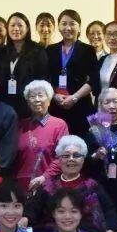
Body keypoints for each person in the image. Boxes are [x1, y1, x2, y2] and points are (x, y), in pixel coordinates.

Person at [25, 135, 117, 232]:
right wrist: (25, 219)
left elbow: (109, 210)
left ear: (83, 159)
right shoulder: (47, 186)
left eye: (76, 155)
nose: (71, 159)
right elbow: (32, 210)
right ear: (59, 159)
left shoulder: (92, 185)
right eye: (66, 155)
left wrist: (111, 229)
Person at [46, 9, 97, 138]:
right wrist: (54, 95)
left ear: (79, 27)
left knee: (80, 143)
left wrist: (74, 97)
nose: (68, 28)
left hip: (81, 106)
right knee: (57, 142)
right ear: (59, 27)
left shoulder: (88, 50)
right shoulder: (50, 50)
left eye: (72, 23)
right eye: (64, 23)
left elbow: (93, 80)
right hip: (56, 106)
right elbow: (45, 78)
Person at [16, 80, 68, 192]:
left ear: (49, 100)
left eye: (40, 95)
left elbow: (62, 157)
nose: (37, 100)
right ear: (28, 102)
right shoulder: (20, 125)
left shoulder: (59, 125)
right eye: (32, 96)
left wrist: (45, 177)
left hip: (48, 186)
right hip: (20, 187)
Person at [0, 12, 49, 119]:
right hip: (5, 108)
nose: (16, 29)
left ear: (27, 28)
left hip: (29, 108)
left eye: (20, 25)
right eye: (12, 25)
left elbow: (43, 81)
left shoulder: (38, 51)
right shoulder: (1, 52)